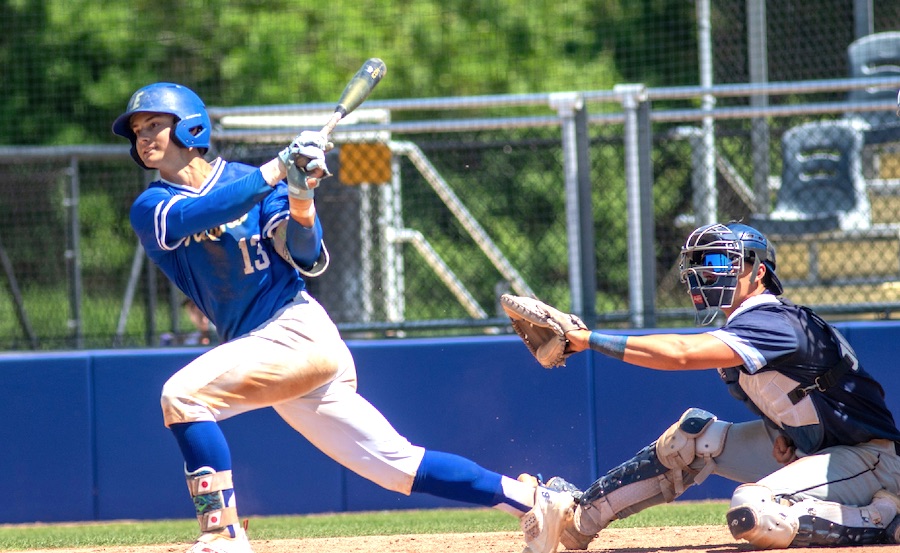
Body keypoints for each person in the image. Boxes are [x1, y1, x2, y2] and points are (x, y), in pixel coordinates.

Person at [112, 82, 575, 553]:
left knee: (183, 396)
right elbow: (204, 212)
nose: (144, 136)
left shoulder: (253, 179)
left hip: (295, 331)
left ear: (190, 126)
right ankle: (533, 500)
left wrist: (300, 195)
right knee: (398, 468)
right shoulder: (150, 206)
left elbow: (306, 257)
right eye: (136, 131)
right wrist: (277, 170)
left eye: (155, 124)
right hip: (264, 349)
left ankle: (221, 535)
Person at [524, 222, 900, 549]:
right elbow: (804, 397)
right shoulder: (752, 325)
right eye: (702, 265)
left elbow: (681, 352)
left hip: (874, 461)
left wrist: (586, 338)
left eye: (722, 263)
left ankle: (882, 517)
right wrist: (786, 432)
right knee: (692, 438)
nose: (708, 274)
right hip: (825, 451)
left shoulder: (775, 320)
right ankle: (578, 520)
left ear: (760, 272)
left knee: (754, 511)